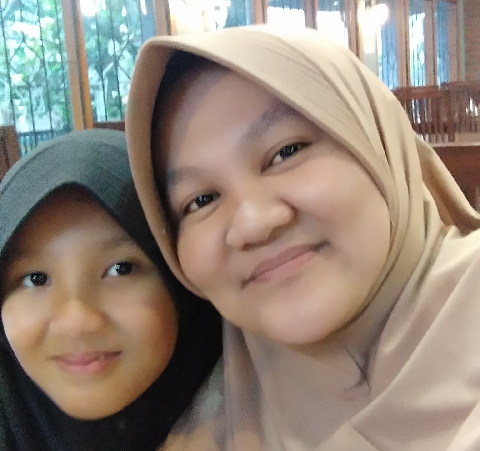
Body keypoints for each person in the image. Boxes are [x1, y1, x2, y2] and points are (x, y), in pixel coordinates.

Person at [125, 25, 480, 451]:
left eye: (286, 152)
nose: (254, 223)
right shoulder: (207, 426)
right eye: (200, 200)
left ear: (378, 145)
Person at [0, 129, 223, 451]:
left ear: (179, 282)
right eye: (35, 279)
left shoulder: (264, 423)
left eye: (121, 269)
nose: (76, 322)